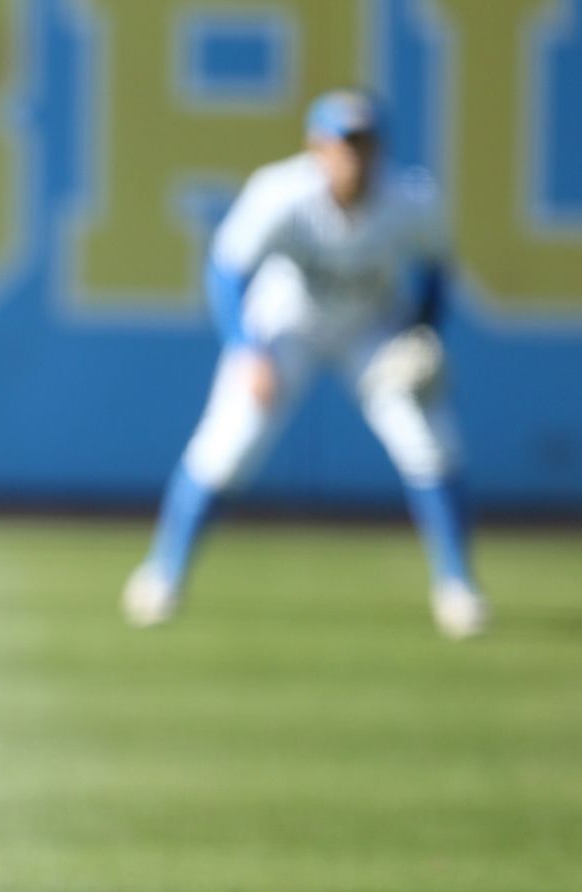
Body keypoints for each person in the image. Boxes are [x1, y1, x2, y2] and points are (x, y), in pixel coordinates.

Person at [122, 88, 487, 639]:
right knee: (230, 445)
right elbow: (226, 271)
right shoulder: (281, 192)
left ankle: (457, 585)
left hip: (372, 324)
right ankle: (162, 573)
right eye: (342, 143)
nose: (353, 156)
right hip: (287, 319)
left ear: (381, 147)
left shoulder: (411, 198)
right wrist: (248, 349)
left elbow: (436, 271)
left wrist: (422, 334)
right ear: (316, 146)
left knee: (430, 443)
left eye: (364, 144)